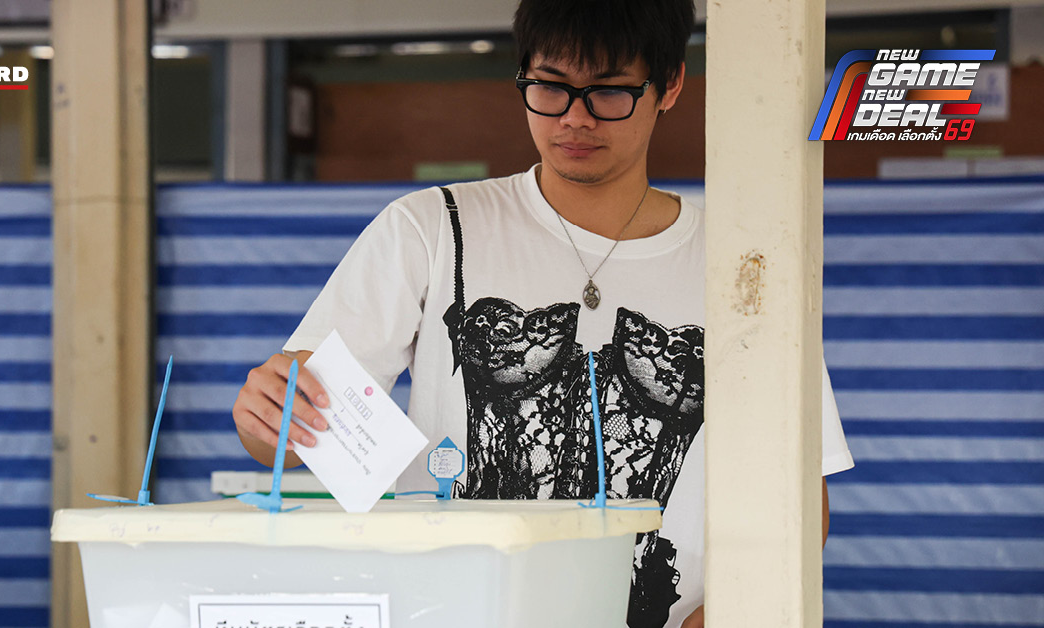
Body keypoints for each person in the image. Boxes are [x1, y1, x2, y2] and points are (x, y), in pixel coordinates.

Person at [233, 0, 854, 626]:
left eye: (609, 92)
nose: (575, 118)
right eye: (550, 88)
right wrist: (269, 418)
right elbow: (288, 439)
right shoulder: (432, 230)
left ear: (669, 86)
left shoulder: (740, 265)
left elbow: (802, 500)